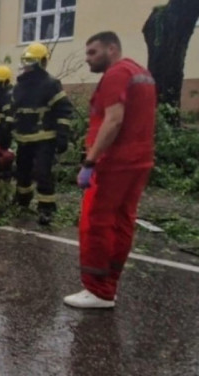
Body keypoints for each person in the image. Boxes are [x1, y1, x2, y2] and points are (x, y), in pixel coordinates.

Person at [63, 31, 156, 309]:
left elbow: (113, 121)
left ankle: (98, 290)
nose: (88, 58)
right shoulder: (142, 73)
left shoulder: (116, 74)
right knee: (122, 221)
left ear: (111, 48)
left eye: (93, 52)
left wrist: (90, 162)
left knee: (96, 222)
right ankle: (109, 282)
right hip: (139, 160)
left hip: (114, 163)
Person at [6, 42, 73, 225]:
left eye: (31, 62)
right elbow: (13, 111)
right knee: (22, 172)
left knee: (42, 172)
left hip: (45, 138)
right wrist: (7, 128)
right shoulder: (19, 87)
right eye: (26, 62)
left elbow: (64, 109)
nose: (27, 67)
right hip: (23, 138)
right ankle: (22, 201)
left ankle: (46, 209)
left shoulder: (50, 84)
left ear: (41, 62)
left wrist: (62, 136)